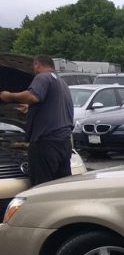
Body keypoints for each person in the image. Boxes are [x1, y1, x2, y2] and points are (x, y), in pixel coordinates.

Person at [0, 54, 74, 186]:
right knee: (61, 186)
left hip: (46, 144)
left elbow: (33, 96)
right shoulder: (61, 82)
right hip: (63, 144)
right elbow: (52, 106)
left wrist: (9, 96)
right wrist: (30, 109)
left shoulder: (42, 77)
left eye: (34, 67)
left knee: (42, 188)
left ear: (37, 64)